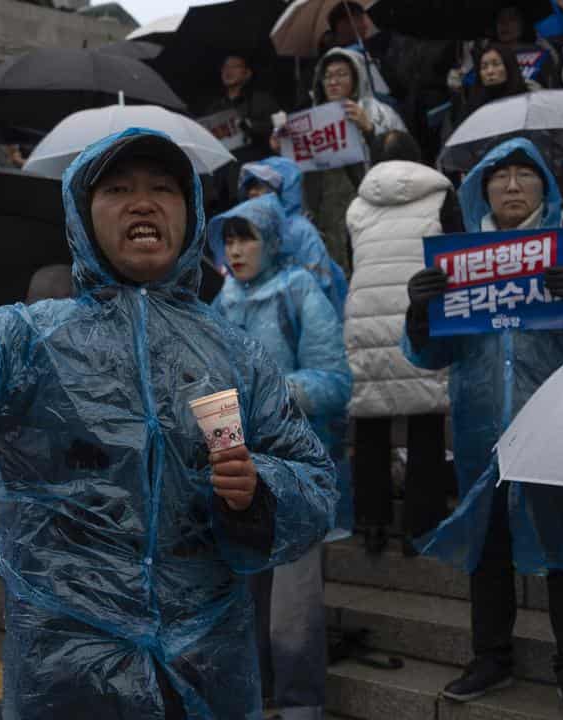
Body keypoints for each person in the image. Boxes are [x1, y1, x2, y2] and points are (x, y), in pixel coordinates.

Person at [0, 128, 338, 718]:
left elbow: (315, 483)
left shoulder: (238, 356)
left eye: (164, 189)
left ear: (191, 211)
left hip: (206, 675)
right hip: (67, 679)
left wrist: (258, 491)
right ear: (82, 214)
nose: (143, 202)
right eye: (118, 189)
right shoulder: (26, 340)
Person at [406, 138, 563, 717]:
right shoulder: (459, 265)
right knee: (488, 546)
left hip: (559, 425)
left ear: (546, 189)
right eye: (498, 177)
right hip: (482, 430)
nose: (511, 187)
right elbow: (429, 358)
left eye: (524, 176)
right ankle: (491, 657)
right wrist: (419, 315)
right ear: (481, 188)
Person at [209, 194, 351, 720]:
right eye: (228, 238)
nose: (236, 249)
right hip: (234, 470)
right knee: (243, 599)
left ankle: (301, 705)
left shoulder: (300, 291)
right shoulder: (220, 302)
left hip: (293, 473)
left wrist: (269, 393)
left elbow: (335, 381)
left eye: (245, 237)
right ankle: (256, 695)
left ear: (271, 242)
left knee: (292, 608)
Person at [345, 131, 456, 556]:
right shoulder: (441, 195)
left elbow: (352, 259)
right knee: (425, 424)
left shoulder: (357, 205)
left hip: (366, 317)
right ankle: (420, 528)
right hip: (419, 316)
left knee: (371, 425)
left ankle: (371, 525)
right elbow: (453, 256)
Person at [294, 47, 406, 277]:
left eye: (341, 74)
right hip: (327, 213)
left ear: (356, 77)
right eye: (328, 76)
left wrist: (370, 129)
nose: (333, 81)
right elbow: (301, 175)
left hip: (369, 204)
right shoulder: (309, 121)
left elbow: (403, 159)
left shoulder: (379, 112)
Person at [239, 157, 348, 315]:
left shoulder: (299, 230)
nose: (252, 193)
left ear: (281, 190)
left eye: (260, 186)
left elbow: (321, 282)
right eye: (250, 187)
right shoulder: (249, 231)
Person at [443, 45, 530, 142]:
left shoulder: (526, 101)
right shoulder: (473, 105)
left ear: (509, 66)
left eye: (496, 64)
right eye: (484, 67)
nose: (490, 71)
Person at [205, 53, 282, 164]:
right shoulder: (214, 107)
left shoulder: (262, 100)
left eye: (234, 66)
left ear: (247, 73)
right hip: (225, 168)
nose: (228, 71)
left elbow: (278, 128)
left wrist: (249, 124)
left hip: (257, 165)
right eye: (225, 67)